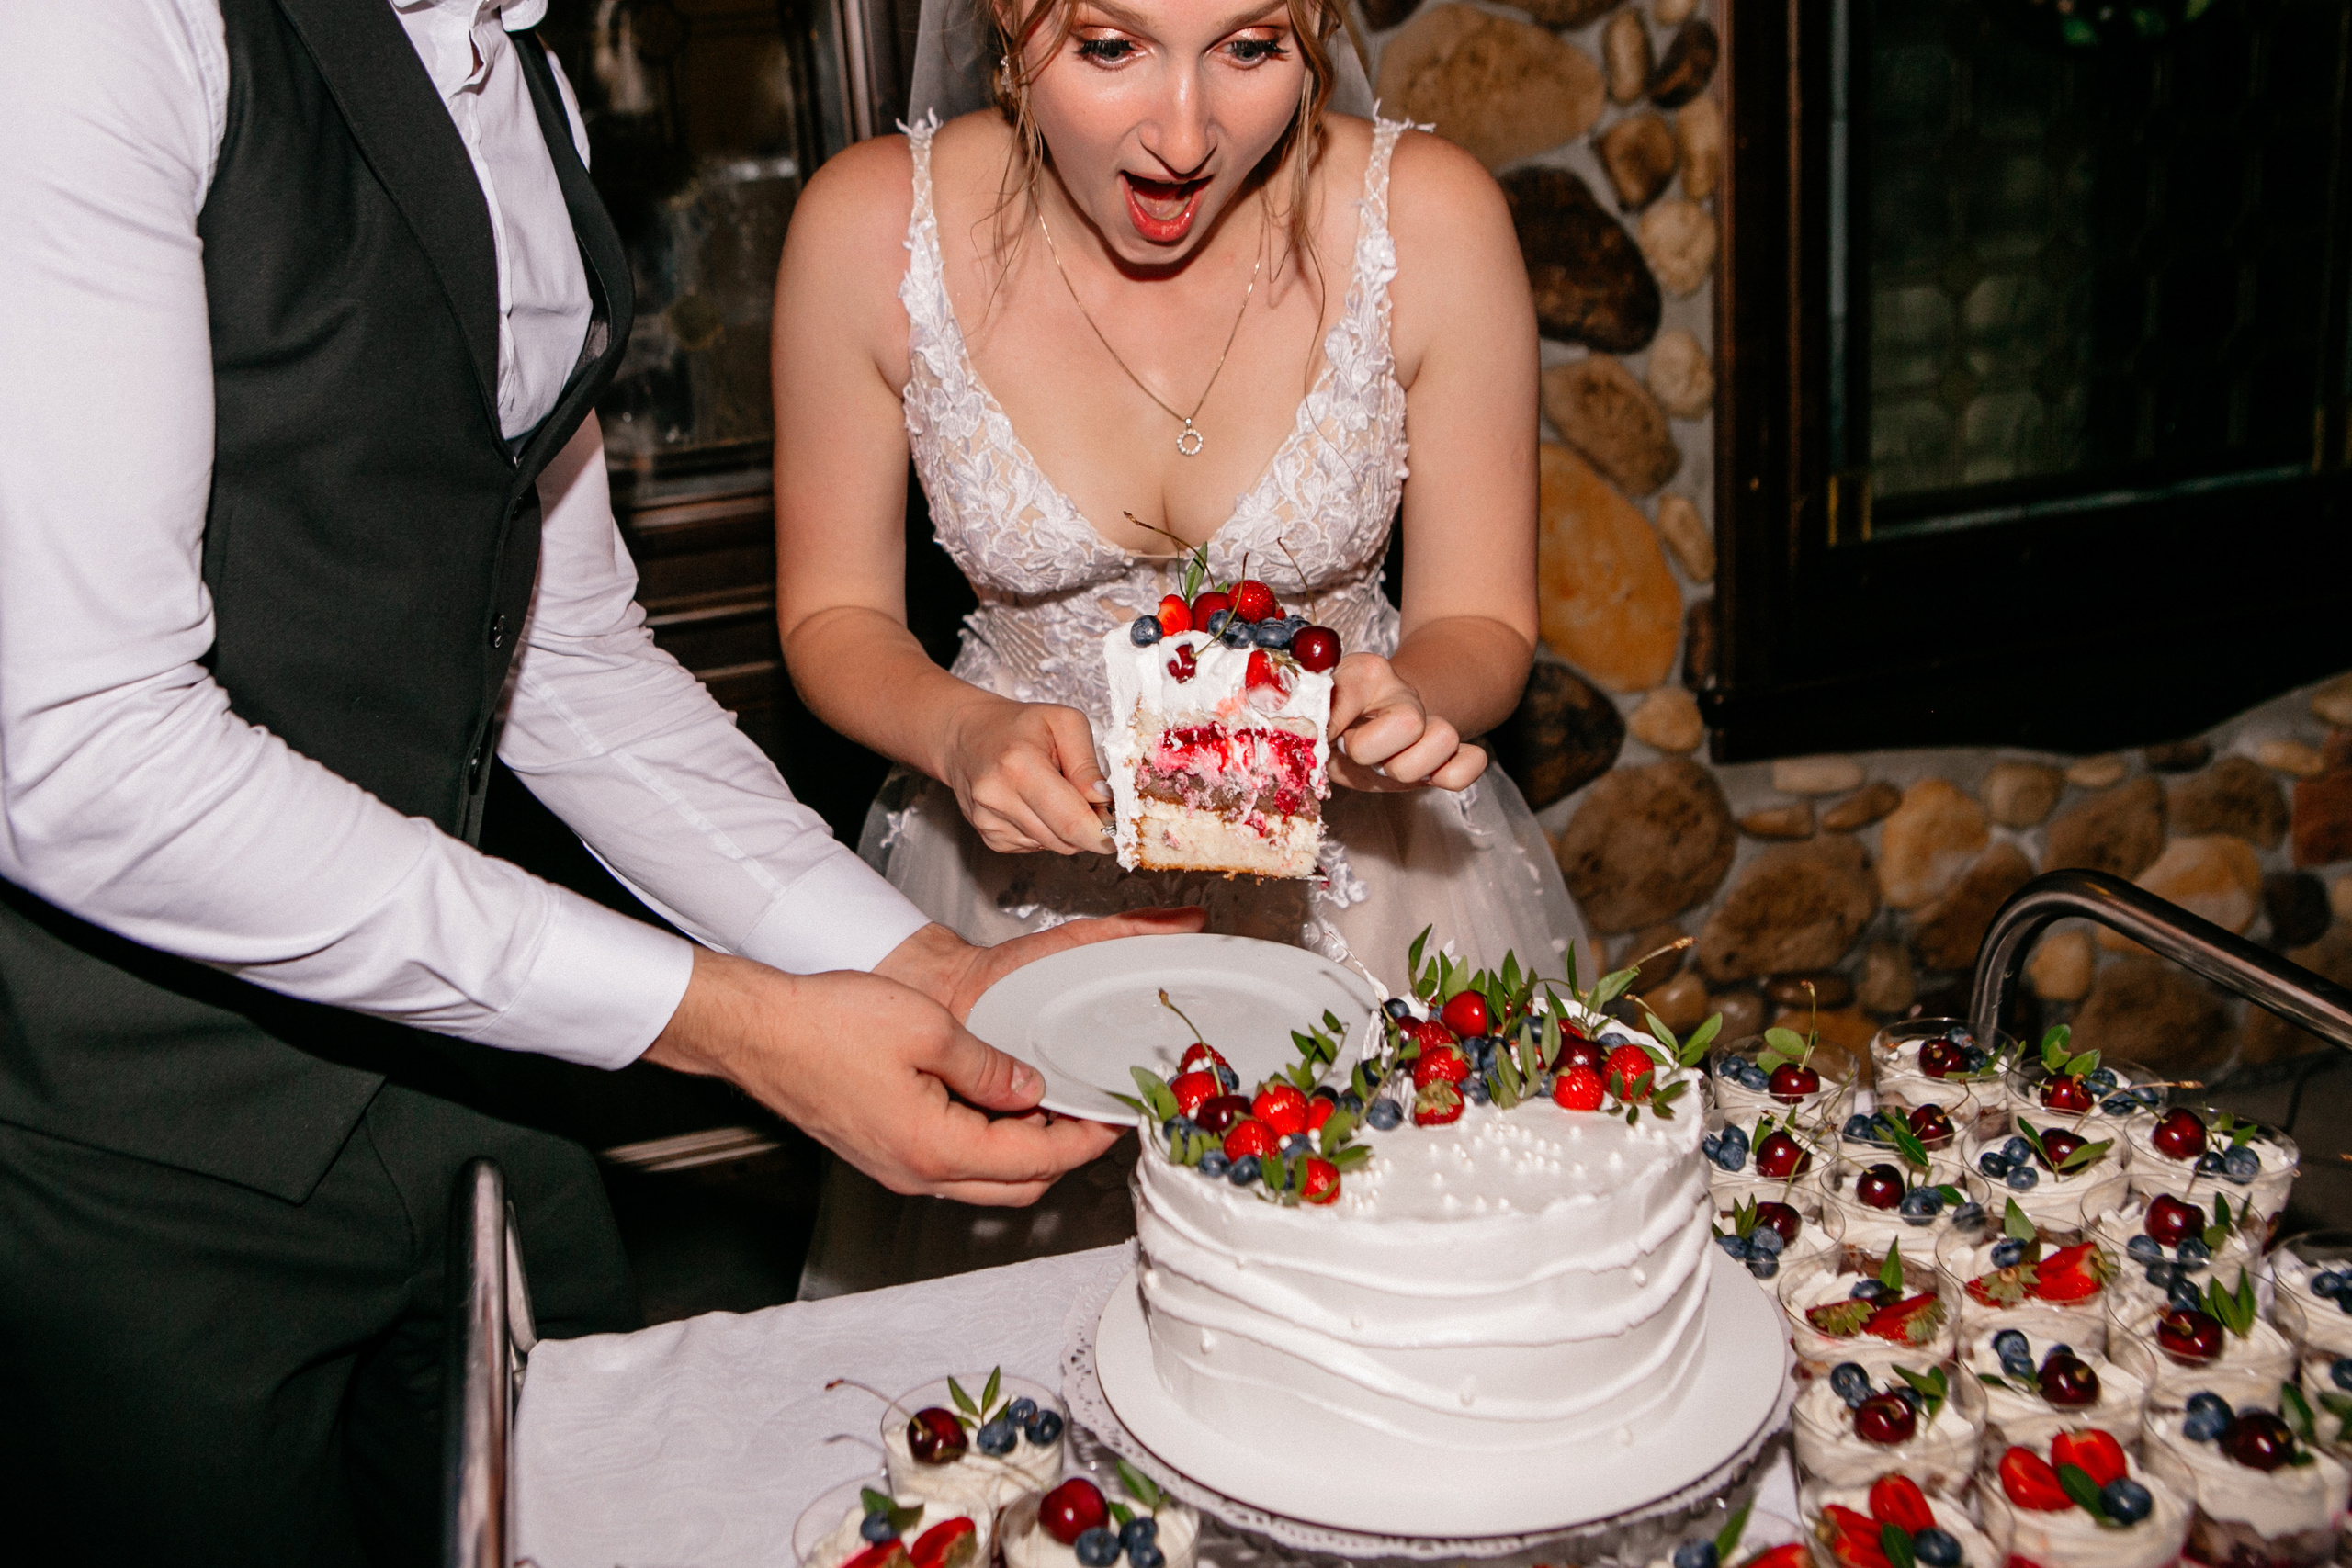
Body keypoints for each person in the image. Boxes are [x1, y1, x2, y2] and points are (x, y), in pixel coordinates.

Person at [0, 1, 1198, 1557]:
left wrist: (929, 967)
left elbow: (564, 657)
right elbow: (87, 749)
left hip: (464, 1083)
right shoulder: (94, 35)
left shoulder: (527, 82)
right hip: (125, 1148)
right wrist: (736, 1025)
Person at [770, 0, 1589, 1292]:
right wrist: (960, 733)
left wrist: (1408, 701)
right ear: (1009, 14)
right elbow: (832, 616)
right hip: (1014, 896)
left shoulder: (1431, 220)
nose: (1186, 135)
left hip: (1372, 892)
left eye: (1251, 49)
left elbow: (1483, 620)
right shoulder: (866, 229)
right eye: (1111, 49)